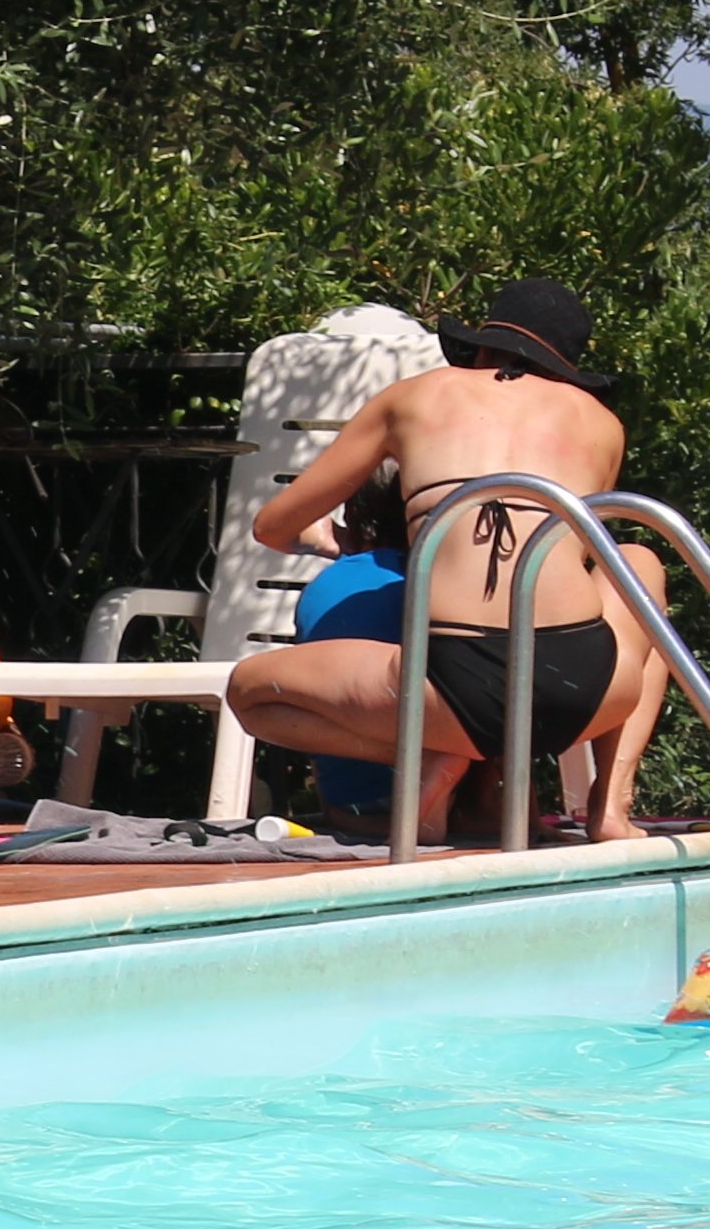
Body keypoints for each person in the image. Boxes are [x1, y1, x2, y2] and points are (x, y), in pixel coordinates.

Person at [226, 280, 632, 845]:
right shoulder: (603, 425)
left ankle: (435, 752)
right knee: (638, 563)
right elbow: (569, 558)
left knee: (249, 694)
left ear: (481, 347)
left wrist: (331, 542)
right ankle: (611, 806)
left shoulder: (412, 398)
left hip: (455, 687)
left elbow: (273, 527)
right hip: (589, 687)